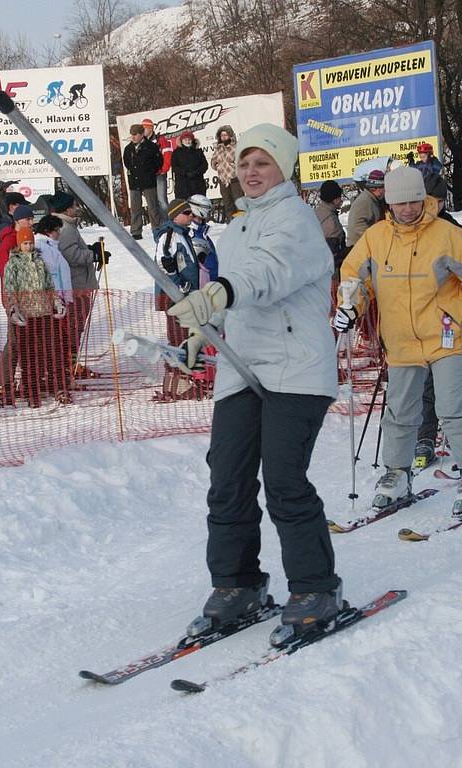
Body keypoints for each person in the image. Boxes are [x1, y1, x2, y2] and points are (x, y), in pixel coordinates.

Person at [167, 124, 342, 633]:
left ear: (283, 168)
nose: (251, 172)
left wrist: (219, 292)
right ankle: (237, 583)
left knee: (284, 482)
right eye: (245, 163)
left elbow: (267, 274)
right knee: (228, 480)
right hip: (243, 366)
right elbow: (236, 299)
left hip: (297, 367)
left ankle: (315, 589)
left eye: (262, 163)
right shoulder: (236, 227)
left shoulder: (299, 221)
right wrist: (206, 331)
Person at [334, 166, 462, 516]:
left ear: (424, 199)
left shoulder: (446, 235)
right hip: (401, 341)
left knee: (453, 410)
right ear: (389, 202)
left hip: (446, 337)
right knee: (401, 412)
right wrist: (349, 306)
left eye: (414, 201)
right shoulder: (376, 237)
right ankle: (397, 474)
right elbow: (354, 276)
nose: (407, 209)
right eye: (400, 202)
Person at [414, 173, 462, 469]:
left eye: (437, 201)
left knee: (449, 390)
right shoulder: (402, 230)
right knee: (424, 386)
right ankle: (424, 438)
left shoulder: (450, 230)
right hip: (416, 325)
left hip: (448, 324)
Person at [3, 227, 71, 407]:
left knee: (52, 351)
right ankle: (31, 391)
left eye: (31, 243)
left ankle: (58, 387)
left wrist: (56, 302)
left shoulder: (40, 262)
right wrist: (13, 309)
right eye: (25, 243)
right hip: (27, 316)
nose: (28, 246)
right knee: (29, 355)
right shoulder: (13, 264)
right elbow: (10, 289)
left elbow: (49, 286)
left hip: (44, 312)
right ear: (19, 244)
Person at [49, 191, 107, 369]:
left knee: (75, 327)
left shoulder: (67, 225)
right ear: (66, 209)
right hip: (76, 285)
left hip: (78, 283)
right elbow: (69, 254)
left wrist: (90, 249)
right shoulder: (65, 227)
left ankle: (70, 363)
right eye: (74, 206)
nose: (76, 208)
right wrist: (93, 254)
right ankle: (69, 364)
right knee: (74, 327)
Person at [154, 198, 202, 402]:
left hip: (184, 295)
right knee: (179, 337)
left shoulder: (182, 234)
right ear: (176, 214)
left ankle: (179, 381)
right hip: (175, 296)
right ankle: (179, 384)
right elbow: (162, 262)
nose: (191, 217)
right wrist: (179, 285)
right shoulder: (170, 234)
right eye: (187, 213)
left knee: (183, 335)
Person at [0, 204, 36, 406]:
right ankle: (2, 381)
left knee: (27, 341)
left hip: (30, 297)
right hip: (14, 298)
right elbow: (7, 272)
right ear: (18, 220)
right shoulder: (9, 241)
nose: (31, 222)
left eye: (32, 218)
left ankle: (26, 380)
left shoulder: (28, 238)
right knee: (15, 340)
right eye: (28, 219)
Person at [123, 124, 163, 240]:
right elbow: (126, 163)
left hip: (148, 181)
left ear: (142, 135)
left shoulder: (151, 147)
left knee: (153, 207)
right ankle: (136, 231)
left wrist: (150, 171)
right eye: (132, 135)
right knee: (135, 207)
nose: (134, 137)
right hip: (134, 181)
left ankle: (157, 229)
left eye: (136, 134)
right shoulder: (128, 148)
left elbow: (158, 161)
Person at [210, 125, 243, 222]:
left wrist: (234, 165)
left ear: (230, 135)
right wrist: (216, 165)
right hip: (223, 179)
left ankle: (242, 222)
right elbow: (213, 161)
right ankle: (231, 222)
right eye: (222, 135)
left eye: (225, 135)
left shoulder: (236, 147)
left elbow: (242, 161)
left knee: (239, 202)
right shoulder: (218, 148)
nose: (224, 137)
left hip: (235, 178)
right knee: (227, 202)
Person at [346, 169, 386, 248]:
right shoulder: (365, 201)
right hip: (357, 247)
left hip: (364, 245)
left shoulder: (373, 199)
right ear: (376, 188)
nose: (385, 191)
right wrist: (374, 239)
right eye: (383, 188)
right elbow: (357, 225)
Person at [315, 180, 347, 273]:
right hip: (329, 272)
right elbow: (333, 254)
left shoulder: (316, 212)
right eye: (339, 197)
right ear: (333, 199)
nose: (341, 200)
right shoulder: (331, 222)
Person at [141, 118, 172, 218]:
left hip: (159, 175)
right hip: (147, 176)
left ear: (150, 129)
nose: (143, 131)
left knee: (162, 200)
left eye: (144, 128)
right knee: (151, 202)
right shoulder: (141, 142)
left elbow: (167, 155)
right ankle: (157, 225)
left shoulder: (160, 140)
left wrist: (163, 170)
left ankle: (169, 223)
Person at [187, 194, 219, 287]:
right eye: (207, 210)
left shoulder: (203, 233)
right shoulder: (190, 233)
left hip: (212, 283)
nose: (208, 214)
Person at [171, 130, 208, 200]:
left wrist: (196, 172)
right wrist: (185, 173)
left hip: (197, 185)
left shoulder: (198, 151)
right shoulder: (176, 153)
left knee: (199, 206)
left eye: (189, 139)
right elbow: (174, 167)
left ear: (192, 140)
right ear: (181, 141)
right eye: (185, 140)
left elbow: (204, 165)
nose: (187, 141)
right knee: (185, 208)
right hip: (182, 186)